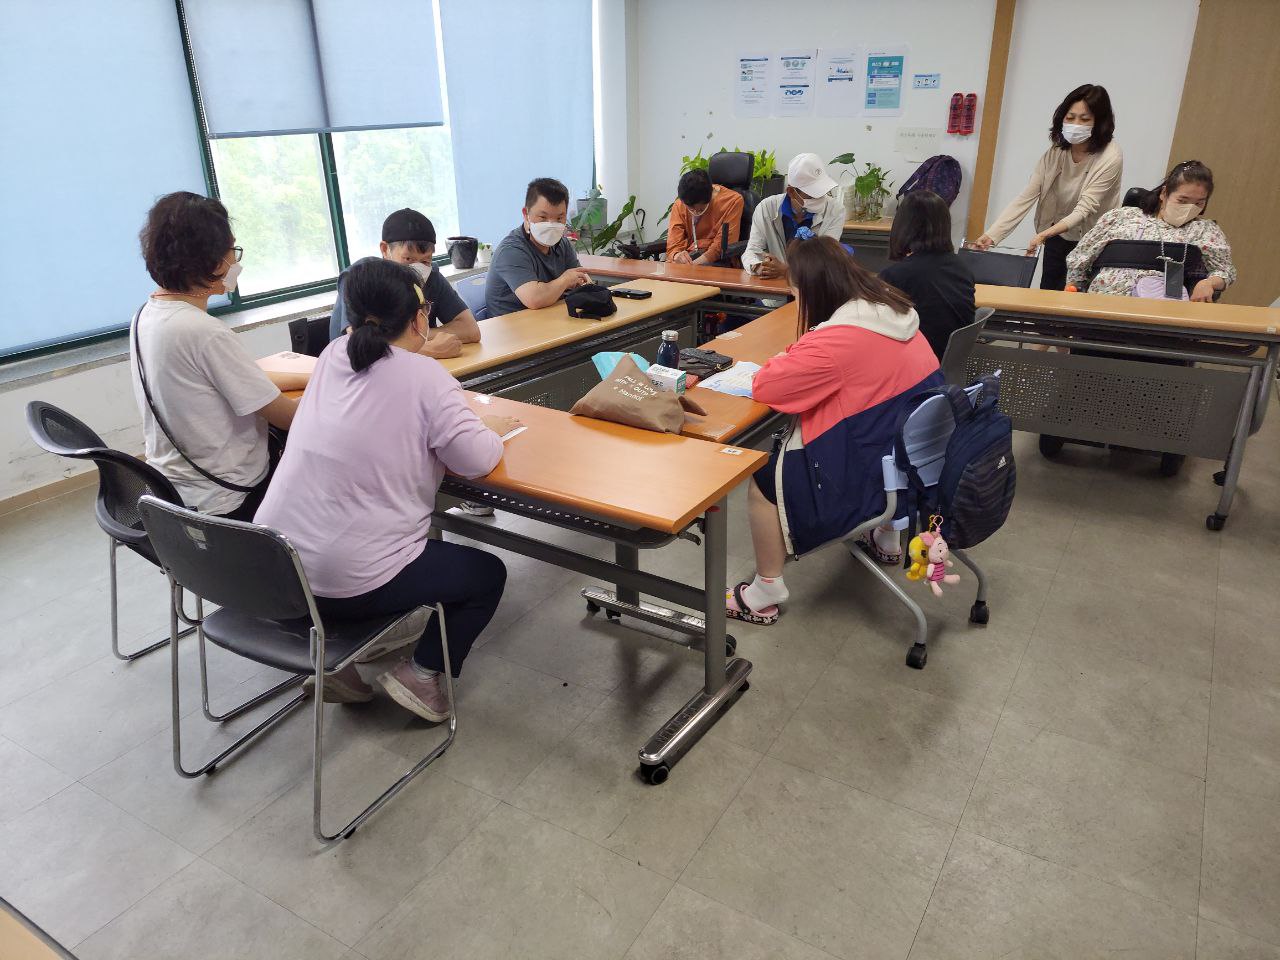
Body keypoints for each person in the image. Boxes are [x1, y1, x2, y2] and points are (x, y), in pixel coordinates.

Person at [255, 258, 519, 719]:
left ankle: (346, 669)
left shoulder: (334, 356)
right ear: (420, 319)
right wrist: (491, 431)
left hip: (275, 570)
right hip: (346, 582)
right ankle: (421, 674)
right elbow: (476, 460)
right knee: (487, 574)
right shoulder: (426, 378)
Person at [726, 238, 943, 624]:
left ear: (814, 291)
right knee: (884, 427)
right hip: (917, 462)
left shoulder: (836, 341)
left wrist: (786, 357)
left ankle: (765, 589)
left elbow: (768, 388)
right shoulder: (895, 310)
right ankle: (889, 538)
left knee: (762, 481)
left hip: (874, 470)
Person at [133, 191, 297, 521]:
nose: (234, 262)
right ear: (211, 260)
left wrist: (317, 376)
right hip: (231, 498)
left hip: (176, 493)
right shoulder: (202, 331)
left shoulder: (146, 316)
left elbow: (244, 382)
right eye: (231, 251)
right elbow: (286, 417)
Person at [974, 84, 1123, 290]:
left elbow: (1084, 209)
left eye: (1085, 119)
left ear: (1099, 122)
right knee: (1049, 293)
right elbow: (1027, 196)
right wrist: (992, 235)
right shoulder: (1057, 151)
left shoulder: (1110, 156)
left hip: (1092, 241)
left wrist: (1044, 235)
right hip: (1057, 235)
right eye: (1070, 117)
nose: (1075, 124)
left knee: (1076, 301)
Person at [1065, 160, 1235, 300]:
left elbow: (1224, 271)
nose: (1190, 208)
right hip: (1101, 304)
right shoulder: (1121, 217)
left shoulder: (1204, 231)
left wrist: (1209, 283)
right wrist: (1074, 292)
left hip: (1160, 312)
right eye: (1183, 200)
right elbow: (1081, 257)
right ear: (1164, 193)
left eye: (1199, 203)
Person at [328, 208, 481, 359]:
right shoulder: (360, 279)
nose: (418, 268)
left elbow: (470, 329)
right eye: (408, 259)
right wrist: (422, 348)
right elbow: (359, 345)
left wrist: (417, 338)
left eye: (426, 260)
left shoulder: (431, 276)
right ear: (385, 249)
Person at [881, 190, 977, 360]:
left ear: (903, 226)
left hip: (917, 364)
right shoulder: (962, 267)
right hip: (950, 361)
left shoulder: (896, 276)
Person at [484, 177, 590, 317]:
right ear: (526, 215)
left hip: (549, 320)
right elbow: (534, 299)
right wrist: (565, 280)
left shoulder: (562, 244)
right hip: (512, 330)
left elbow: (583, 281)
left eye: (559, 218)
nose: (551, 225)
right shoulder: (511, 251)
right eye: (543, 217)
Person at [741, 153, 844, 279]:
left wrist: (786, 270)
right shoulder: (766, 208)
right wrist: (760, 267)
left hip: (814, 288)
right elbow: (751, 251)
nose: (820, 198)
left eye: (822, 192)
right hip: (773, 288)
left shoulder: (835, 210)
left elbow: (827, 259)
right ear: (791, 192)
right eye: (813, 194)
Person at [666, 168, 745, 266]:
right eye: (690, 208)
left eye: (699, 209)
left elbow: (720, 246)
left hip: (716, 262)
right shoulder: (680, 204)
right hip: (686, 262)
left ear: (710, 196)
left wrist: (692, 266)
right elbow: (674, 243)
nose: (694, 212)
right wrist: (676, 255)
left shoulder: (733, 201)